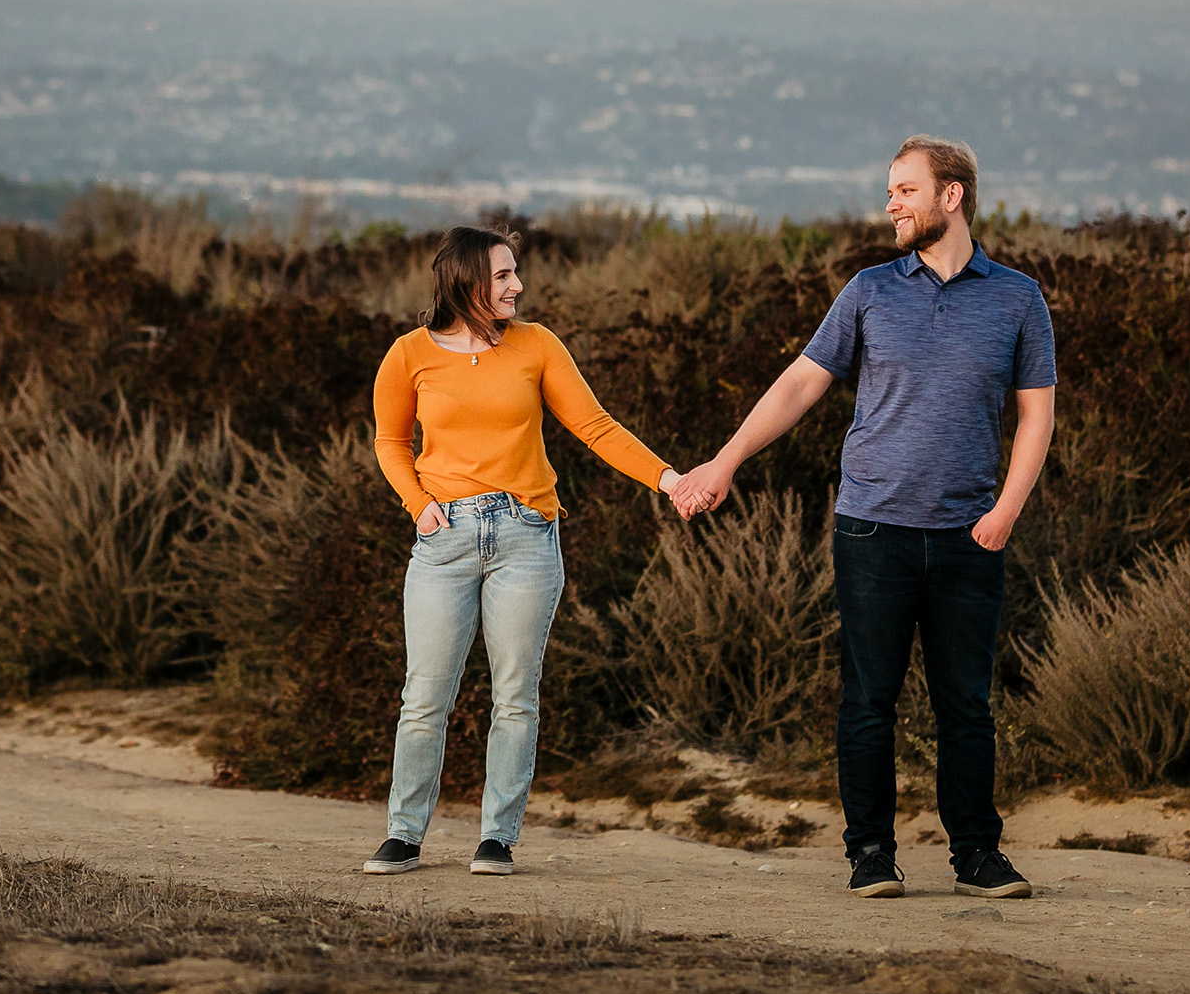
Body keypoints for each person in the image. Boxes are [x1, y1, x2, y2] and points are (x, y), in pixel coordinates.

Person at [671, 135, 1054, 901]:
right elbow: (798, 387)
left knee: (966, 706)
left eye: (905, 190)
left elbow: (1037, 417)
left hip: (969, 535)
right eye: (889, 191)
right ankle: (870, 854)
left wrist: (1006, 511)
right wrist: (723, 462)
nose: (891, 204)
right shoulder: (870, 291)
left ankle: (977, 854)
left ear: (952, 196)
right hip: (872, 530)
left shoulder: (1017, 298)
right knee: (868, 701)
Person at [361, 224, 681, 878]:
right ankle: (403, 835)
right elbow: (390, 442)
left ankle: (497, 839)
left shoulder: (538, 347)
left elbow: (594, 425)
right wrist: (419, 506)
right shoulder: (408, 354)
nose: (519, 286)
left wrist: (669, 479)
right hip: (442, 538)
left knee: (515, 697)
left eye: (516, 273)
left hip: (526, 537)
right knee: (424, 696)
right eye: (504, 275)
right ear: (466, 282)